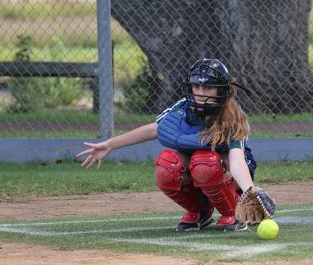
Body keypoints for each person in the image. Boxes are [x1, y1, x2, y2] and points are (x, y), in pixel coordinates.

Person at [77, 58, 260, 232]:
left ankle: (231, 211)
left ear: (222, 91)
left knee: (205, 162)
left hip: (229, 173)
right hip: (199, 168)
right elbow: (152, 130)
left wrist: (250, 191)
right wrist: (110, 145)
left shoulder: (231, 116)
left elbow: (237, 162)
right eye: (196, 86)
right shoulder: (184, 107)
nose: (200, 93)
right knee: (167, 165)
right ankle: (200, 211)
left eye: (208, 87)